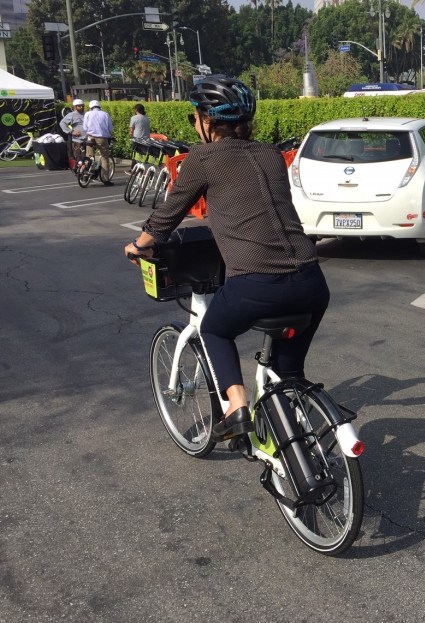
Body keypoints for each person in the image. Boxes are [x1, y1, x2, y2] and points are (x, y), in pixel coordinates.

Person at [124, 75, 329, 442]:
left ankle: (236, 408)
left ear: (206, 121)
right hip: (312, 281)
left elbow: (169, 214)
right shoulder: (269, 154)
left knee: (214, 329)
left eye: (195, 119)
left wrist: (139, 245)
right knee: (288, 374)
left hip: (257, 283)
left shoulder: (202, 158)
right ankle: (295, 443)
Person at [82, 100, 114, 186]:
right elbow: (110, 127)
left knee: (89, 156)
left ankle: (86, 174)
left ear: (90, 107)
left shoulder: (87, 114)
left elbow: (85, 127)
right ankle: (105, 179)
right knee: (104, 157)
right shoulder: (105, 114)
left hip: (90, 137)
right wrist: (110, 134)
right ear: (99, 106)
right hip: (102, 137)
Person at [59, 99, 85, 168]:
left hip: (88, 139)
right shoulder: (72, 115)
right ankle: (79, 172)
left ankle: (86, 172)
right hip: (78, 140)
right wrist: (71, 131)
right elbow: (62, 123)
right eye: (79, 106)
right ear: (75, 107)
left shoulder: (86, 114)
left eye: (82, 106)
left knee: (87, 157)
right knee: (79, 157)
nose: (81, 107)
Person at [127, 104, 151, 174]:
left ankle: (133, 169)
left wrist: (131, 135)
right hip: (146, 139)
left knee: (135, 154)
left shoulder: (134, 118)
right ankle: (141, 169)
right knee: (143, 154)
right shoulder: (146, 118)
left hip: (137, 139)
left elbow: (131, 129)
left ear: (136, 110)